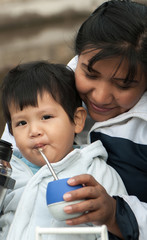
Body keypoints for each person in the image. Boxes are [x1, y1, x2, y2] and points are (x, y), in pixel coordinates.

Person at [1, 0, 147, 239]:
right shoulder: (43, 95)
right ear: (79, 57)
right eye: (90, 73)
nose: (100, 96)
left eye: (123, 84)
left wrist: (115, 214)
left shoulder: (112, 164)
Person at [0, 60, 127, 240]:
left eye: (46, 117)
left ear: (76, 120)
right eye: (22, 123)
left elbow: (120, 227)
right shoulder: (8, 173)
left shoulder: (95, 174)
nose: (34, 131)